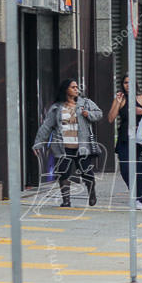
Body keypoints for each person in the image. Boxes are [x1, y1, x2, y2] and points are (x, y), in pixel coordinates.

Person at [33, 79, 103, 207]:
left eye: (77, 87)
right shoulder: (56, 108)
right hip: (63, 147)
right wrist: (38, 143)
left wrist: (89, 114)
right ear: (66, 89)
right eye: (73, 87)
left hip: (82, 147)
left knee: (86, 173)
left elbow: (99, 113)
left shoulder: (85, 103)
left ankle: (91, 192)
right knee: (63, 173)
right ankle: (66, 200)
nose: (76, 89)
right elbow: (46, 127)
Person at [107, 74, 142, 210]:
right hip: (125, 139)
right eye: (125, 82)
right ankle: (134, 192)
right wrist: (117, 101)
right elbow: (110, 118)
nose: (128, 85)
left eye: (130, 82)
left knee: (139, 169)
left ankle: (138, 199)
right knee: (125, 169)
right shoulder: (121, 99)